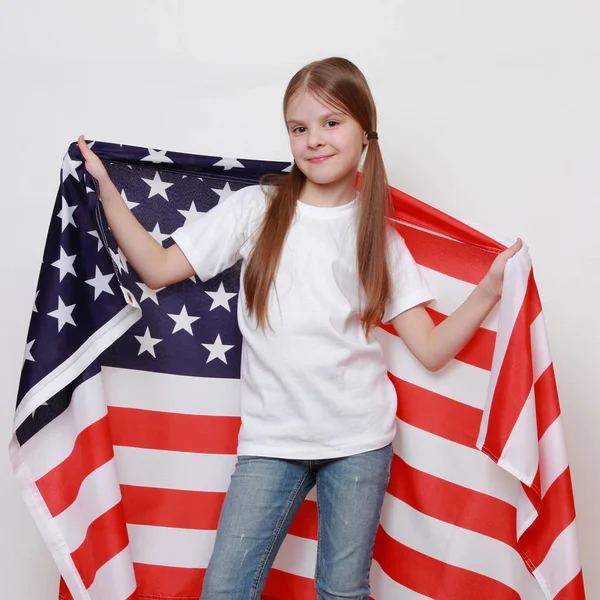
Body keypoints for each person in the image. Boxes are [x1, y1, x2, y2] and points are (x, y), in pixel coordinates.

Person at [77, 56, 522, 600]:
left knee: (341, 591)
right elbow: (158, 267)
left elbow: (430, 349)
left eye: (331, 123)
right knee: (226, 589)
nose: (315, 139)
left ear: (365, 131)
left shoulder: (378, 237)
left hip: (359, 442)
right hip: (272, 440)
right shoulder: (258, 209)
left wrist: (489, 291)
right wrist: (106, 191)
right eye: (299, 127)